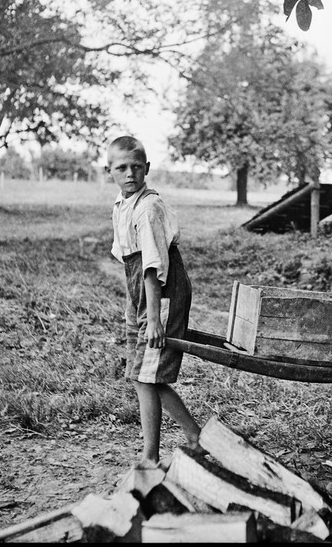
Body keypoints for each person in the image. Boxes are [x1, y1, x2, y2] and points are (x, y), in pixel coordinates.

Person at [106, 135, 202, 469]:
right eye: (122, 168)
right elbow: (129, 264)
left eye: (136, 167)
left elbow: (152, 267)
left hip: (163, 290)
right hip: (141, 292)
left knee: (149, 373)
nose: (130, 173)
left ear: (146, 168)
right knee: (139, 373)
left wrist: (156, 320)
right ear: (110, 171)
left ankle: (154, 454)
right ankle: (194, 435)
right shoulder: (121, 205)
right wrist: (133, 306)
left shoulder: (148, 208)